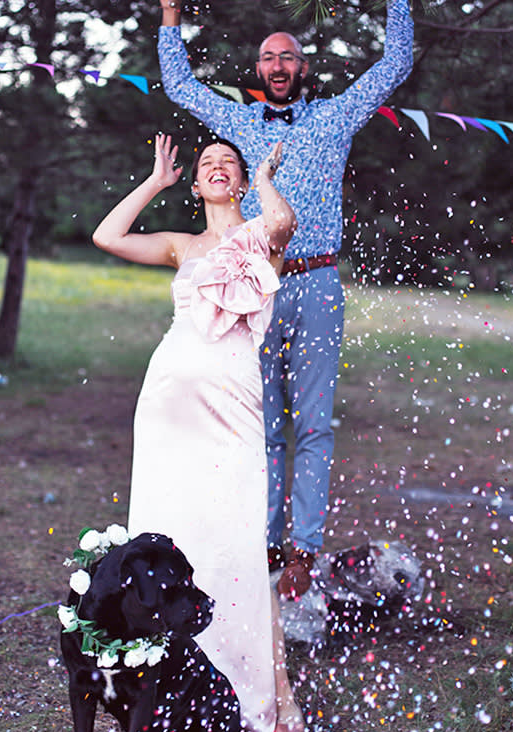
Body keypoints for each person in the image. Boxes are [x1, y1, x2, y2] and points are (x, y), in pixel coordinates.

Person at [157, 0, 415, 601]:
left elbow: (396, 61)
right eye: (269, 57)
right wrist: (171, 14)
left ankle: (304, 548)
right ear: (258, 69)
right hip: (255, 282)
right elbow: (178, 84)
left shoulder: (337, 116)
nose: (277, 64)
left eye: (288, 57)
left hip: (320, 282)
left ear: (303, 68)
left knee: (315, 425)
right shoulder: (241, 124)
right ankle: (264, 541)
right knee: (263, 423)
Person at [93, 133, 305, 732]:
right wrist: (154, 181)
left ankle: (271, 689)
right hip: (167, 406)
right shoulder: (180, 246)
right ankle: (156, 684)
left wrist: (264, 174)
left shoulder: (263, 232)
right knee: (168, 535)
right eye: (207, 163)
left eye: (227, 164)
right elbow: (106, 237)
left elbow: (284, 219)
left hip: (234, 402)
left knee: (236, 539)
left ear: (238, 181)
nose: (216, 167)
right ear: (195, 183)